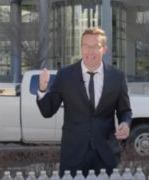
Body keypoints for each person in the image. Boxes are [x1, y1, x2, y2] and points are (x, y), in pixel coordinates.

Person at [37, 27, 132, 177]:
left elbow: (124, 110)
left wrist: (125, 123)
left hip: (106, 154)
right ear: (81, 48)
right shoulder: (65, 75)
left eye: (95, 47)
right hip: (73, 154)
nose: (90, 51)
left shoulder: (117, 77)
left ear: (104, 49)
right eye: (86, 46)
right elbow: (47, 111)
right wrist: (42, 90)